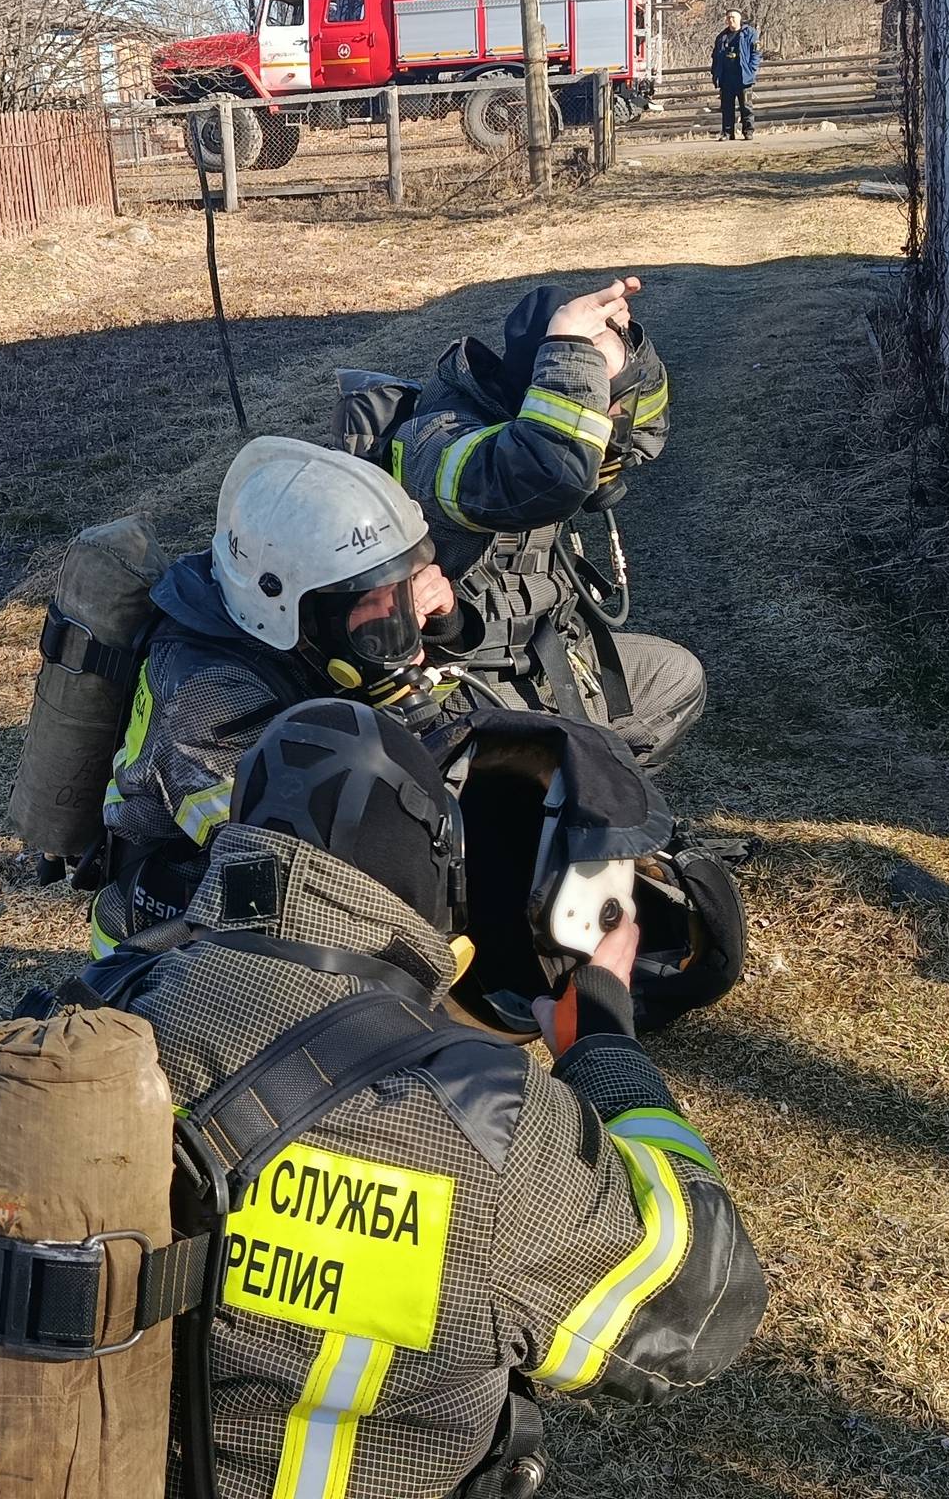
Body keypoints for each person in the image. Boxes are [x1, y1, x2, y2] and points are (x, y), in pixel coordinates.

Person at [79, 699, 769, 1499]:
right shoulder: (489, 1119)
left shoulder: (89, 1019)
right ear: (440, 871)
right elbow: (701, 1304)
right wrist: (607, 1047)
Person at [93, 436, 460, 951]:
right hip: (170, 941)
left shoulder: (302, 638)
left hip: (256, 903)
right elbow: (298, 852)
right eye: (371, 602)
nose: (392, 617)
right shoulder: (204, 698)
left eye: (399, 592)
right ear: (291, 606)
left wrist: (438, 631)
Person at [385, 278, 706, 769]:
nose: (609, 421)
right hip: (466, 682)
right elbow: (544, 475)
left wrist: (626, 350)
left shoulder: (552, 420)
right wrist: (572, 349)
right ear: (550, 381)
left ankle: (589, 790)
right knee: (544, 781)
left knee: (676, 678)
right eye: (596, 400)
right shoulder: (436, 439)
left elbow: (646, 432)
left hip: (545, 653)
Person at [710, 11, 757, 141]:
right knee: (727, 107)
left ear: (739, 18)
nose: (731, 20)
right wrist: (715, 73)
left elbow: (756, 52)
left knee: (746, 106)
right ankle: (727, 133)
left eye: (733, 17)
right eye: (729, 17)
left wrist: (751, 69)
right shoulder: (722, 37)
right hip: (726, 78)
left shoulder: (749, 33)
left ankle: (748, 131)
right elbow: (715, 56)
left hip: (744, 78)